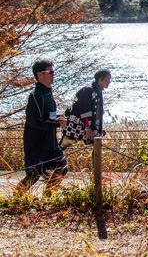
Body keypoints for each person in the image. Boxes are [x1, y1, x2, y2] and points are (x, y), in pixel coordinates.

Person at [15, 59, 68, 195]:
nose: (53, 75)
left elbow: (48, 118)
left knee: (61, 167)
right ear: (40, 75)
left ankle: (48, 198)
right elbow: (35, 122)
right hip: (36, 145)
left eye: (53, 72)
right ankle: (16, 198)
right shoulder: (35, 96)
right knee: (34, 176)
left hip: (51, 144)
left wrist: (59, 119)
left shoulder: (48, 93)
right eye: (50, 72)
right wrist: (57, 123)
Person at [61, 69, 111, 146]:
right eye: (108, 79)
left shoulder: (98, 92)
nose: (109, 82)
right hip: (76, 125)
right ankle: (53, 158)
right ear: (100, 79)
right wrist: (87, 128)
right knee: (63, 146)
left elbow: (98, 113)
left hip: (89, 127)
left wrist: (99, 128)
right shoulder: (89, 90)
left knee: (97, 147)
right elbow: (84, 110)